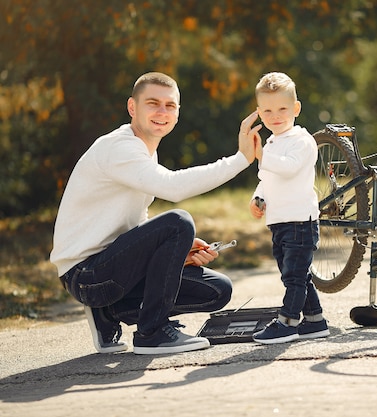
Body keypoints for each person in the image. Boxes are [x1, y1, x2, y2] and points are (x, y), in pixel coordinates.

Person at [50, 72, 262, 355]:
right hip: (87, 275)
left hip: (112, 270)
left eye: (170, 105)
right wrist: (240, 160)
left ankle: (109, 312)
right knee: (178, 221)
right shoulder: (119, 148)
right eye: (153, 103)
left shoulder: (146, 152)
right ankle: (152, 333)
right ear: (132, 108)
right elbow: (172, 188)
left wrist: (175, 255)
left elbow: (136, 222)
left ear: (177, 113)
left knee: (217, 289)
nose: (162, 112)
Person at [248, 72, 329, 344]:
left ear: (295, 108)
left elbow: (288, 167)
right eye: (268, 111)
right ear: (260, 113)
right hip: (280, 221)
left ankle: (288, 321)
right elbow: (267, 177)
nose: (275, 116)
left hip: (300, 221)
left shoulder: (301, 140)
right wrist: (258, 198)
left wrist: (261, 155)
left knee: (293, 277)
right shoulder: (272, 142)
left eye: (282, 109)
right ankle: (315, 320)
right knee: (296, 273)